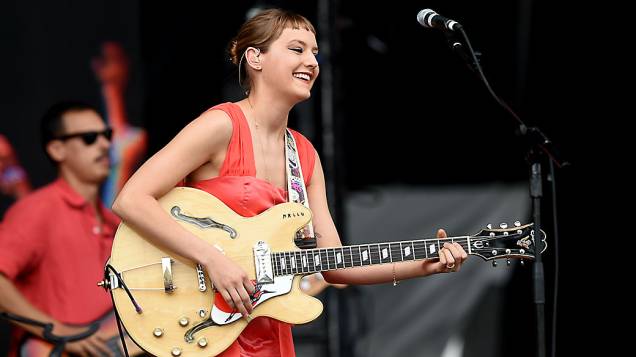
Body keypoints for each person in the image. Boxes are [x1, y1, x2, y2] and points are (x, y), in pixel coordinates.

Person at [112, 8, 468, 357]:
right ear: (255, 58)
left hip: (267, 329)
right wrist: (212, 259)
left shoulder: (304, 155)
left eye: (315, 52)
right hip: (203, 324)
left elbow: (336, 266)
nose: (312, 62)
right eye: (297, 49)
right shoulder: (220, 125)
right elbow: (131, 199)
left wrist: (425, 264)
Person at [0, 102, 119, 356]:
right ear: (56, 149)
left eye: (107, 135)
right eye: (89, 138)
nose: (105, 145)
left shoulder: (116, 223)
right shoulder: (36, 209)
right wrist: (57, 331)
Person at [92, 41, 147, 208]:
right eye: (104, 59)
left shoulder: (137, 138)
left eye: (113, 59)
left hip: (115, 225)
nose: (104, 64)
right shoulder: (87, 129)